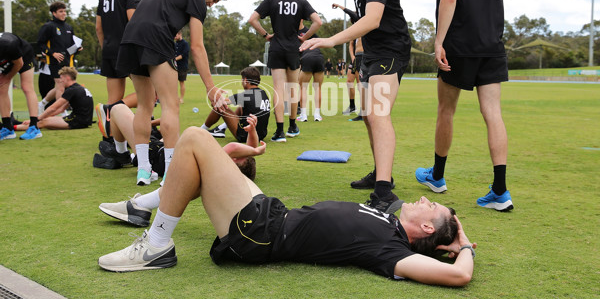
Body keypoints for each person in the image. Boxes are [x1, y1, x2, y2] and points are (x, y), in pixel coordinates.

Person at [98, 127, 475, 288]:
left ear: (426, 229)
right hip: (271, 213)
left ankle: (157, 245)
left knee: (195, 139)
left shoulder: (390, 250)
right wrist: (450, 234)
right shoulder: (389, 218)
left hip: (260, 234)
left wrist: (464, 242)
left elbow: (459, 277)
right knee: (228, 156)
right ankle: (142, 207)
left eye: (432, 207)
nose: (425, 198)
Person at [300, 0, 412, 213]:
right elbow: (362, 11)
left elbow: (373, 18)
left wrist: (331, 40)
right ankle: (380, 172)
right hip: (372, 49)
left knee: (378, 113)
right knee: (365, 113)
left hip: (391, 47)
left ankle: (384, 192)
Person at [414, 0, 513, 212]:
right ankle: (500, 191)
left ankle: (438, 177)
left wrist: (439, 41)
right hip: (492, 47)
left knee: (446, 109)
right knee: (493, 113)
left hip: (459, 44)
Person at [116, 0, 229, 186]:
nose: (211, 5)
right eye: (214, 0)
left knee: (144, 106)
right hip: (155, 37)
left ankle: (143, 169)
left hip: (130, 37)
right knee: (170, 104)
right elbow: (196, 45)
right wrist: (210, 87)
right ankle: (170, 170)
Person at [98, 114, 265, 227]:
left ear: (233, 162)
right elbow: (247, 147)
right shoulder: (214, 169)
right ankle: (138, 197)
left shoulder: (213, 169)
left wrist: (255, 150)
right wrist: (252, 133)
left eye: (238, 156)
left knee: (117, 110)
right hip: (163, 147)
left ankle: (122, 155)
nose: (240, 151)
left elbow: (233, 147)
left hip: (155, 152)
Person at [248, 0, 322, 142]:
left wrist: (266, 35)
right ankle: (292, 126)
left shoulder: (272, 0)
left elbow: (252, 19)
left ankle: (279, 132)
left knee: (278, 90)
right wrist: (305, 37)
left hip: (276, 48)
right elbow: (318, 22)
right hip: (293, 50)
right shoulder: (301, 1)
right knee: (292, 89)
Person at [96, 0, 141, 108]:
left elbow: (98, 27)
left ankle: (109, 130)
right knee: (150, 94)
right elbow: (134, 22)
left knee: (113, 97)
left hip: (109, 49)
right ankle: (110, 110)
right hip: (128, 50)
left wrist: (106, 48)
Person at [201, 67, 270, 142]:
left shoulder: (246, 95)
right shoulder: (263, 93)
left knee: (220, 105)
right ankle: (221, 128)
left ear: (245, 80)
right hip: (261, 135)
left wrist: (215, 98)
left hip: (246, 135)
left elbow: (219, 102)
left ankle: (201, 130)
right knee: (242, 106)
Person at [16, 67, 93, 130]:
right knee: (47, 120)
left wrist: (36, 119)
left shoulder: (71, 90)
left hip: (77, 121)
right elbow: (61, 109)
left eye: (62, 78)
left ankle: (13, 128)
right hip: (84, 120)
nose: (61, 81)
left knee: (43, 122)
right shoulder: (79, 88)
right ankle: (21, 124)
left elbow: (53, 108)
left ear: (67, 78)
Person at [0, 33, 41, 140]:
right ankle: (8, 128)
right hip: (7, 58)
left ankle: (34, 127)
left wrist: (8, 77)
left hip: (24, 55)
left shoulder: (8, 44)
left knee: (26, 87)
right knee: (1, 89)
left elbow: (19, 64)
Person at [37, 1, 77, 105]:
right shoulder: (48, 26)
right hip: (55, 62)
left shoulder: (69, 27)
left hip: (68, 61)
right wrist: (52, 53)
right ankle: (62, 112)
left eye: (65, 11)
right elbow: (40, 43)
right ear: (54, 13)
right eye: (61, 11)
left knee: (63, 86)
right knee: (60, 85)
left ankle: (42, 103)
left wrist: (78, 48)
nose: (64, 13)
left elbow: (72, 45)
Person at [332, 3, 361, 118]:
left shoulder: (363, 23)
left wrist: (339, 6)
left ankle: (365, 109)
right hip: (356, 58)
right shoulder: (354, 28)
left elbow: (351, 13)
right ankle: (352, 106)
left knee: (360, 83)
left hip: (363, 57)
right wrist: (352, 57)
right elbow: (350, 45)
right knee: (349, 81)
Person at [296, 22, 325, 122]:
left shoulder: (292, 34)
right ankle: (317, 115)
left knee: (303, 87)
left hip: (307, 57)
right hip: (319, 57)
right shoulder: (310, 32)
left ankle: (303, 115)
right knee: (318, 88)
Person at [174, 31, 190, 104]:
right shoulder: (175, 43)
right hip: (174, 66)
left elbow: (183, 55)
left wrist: (173, 59)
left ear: (180, 34)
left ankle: (181, 98)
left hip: (182, 66)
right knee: (173, 82)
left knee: (181, 82)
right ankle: (175, 98)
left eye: (175, 35)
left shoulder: (185, 44)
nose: (174, 37)